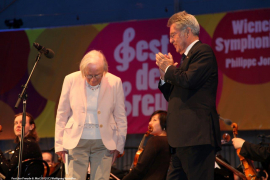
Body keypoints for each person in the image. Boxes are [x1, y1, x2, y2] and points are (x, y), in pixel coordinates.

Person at [155, 11, 221, 180]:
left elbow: (189, 80)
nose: (171, 40)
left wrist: (170, 69)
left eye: (173, 35)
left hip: (196, 139)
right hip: (181, 141)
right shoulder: (186, 61)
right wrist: (164, 75)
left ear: (187, 32)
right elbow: (174, 95)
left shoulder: (203, 52)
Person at [55, 50, 127, 180]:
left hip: (104, 142)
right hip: (75, 140)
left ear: (104, 70)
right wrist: (59, 145)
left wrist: (119, 146)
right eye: (89, 75)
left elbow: (120, 116)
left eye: (97, 75)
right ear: (83, 71)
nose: (93, 79)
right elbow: (62, 113)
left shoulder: (115, 82)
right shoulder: (70, 79)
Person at [122, 110, 171, 180]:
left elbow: (140, 168)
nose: (150, 123)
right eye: (150, 120)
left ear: (164, 123)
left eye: (154, 120)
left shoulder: (155, 140)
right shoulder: (171, 141)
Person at [0, 112, 42, 179]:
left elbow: (9, 172)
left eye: (22, 123)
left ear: (31, 126)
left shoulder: (27, 143)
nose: (18, 125)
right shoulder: (28, 142)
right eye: (16, 123)